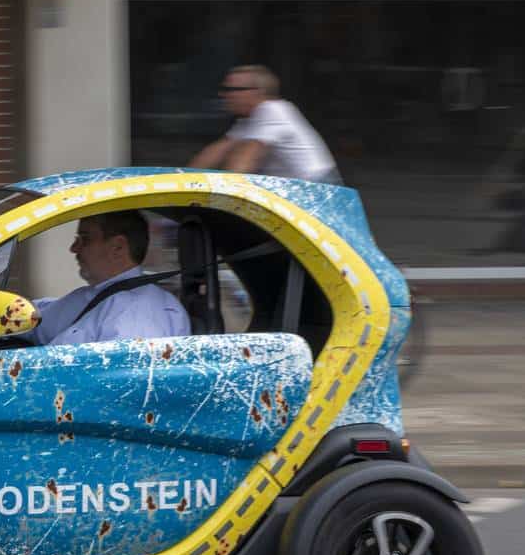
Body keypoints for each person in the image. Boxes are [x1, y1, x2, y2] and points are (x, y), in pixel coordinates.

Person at [30, 211, 191, 346]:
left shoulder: (136, 315)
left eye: (85, 239)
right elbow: (38, 318)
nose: (73, 248)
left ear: (118, 247)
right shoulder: (94, 296)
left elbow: (125, 380)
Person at [190, 64, 342, 185]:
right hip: (296, 189)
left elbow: (243, 163)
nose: (223, 95)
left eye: (231, 90)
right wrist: (185, 180)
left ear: (256, 92)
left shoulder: (272, 110)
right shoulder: (249, 120)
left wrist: (216, 192)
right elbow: (215, 152)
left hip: (317, 190)